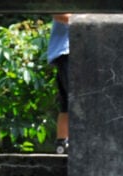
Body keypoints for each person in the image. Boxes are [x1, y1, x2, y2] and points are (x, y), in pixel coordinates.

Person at [47, 14, 71, 154]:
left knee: (67, 104)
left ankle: (62, 145)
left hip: (70, 51)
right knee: (78, 100)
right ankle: (63, 145)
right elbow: (59, 14)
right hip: (69, 51)